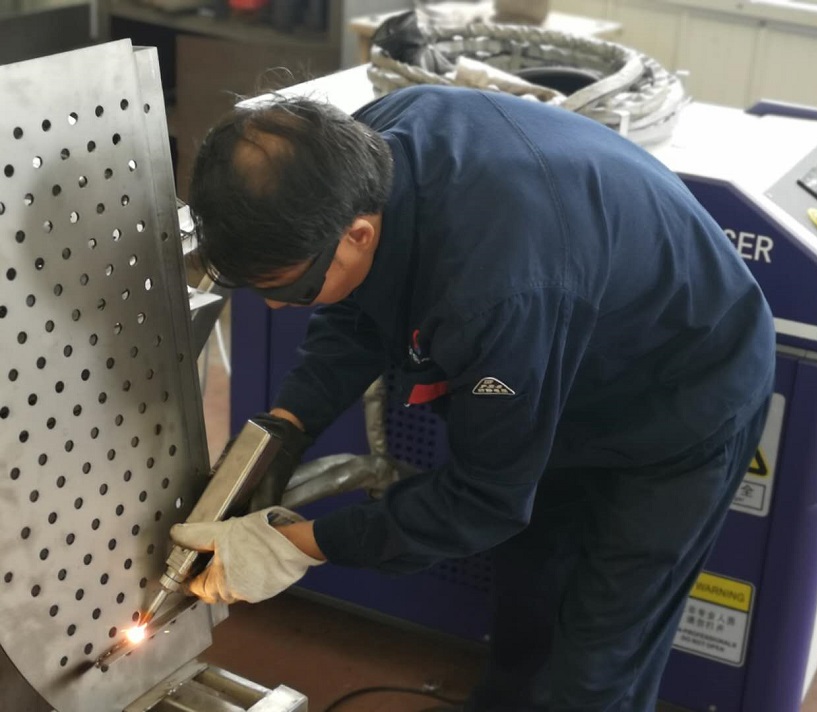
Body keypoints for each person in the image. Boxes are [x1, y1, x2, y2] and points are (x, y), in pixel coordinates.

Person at [172, 84, 775, 712]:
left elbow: (483, 502)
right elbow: (358, 312)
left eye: (290, 288)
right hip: (564, 373)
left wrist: (293, 545)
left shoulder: (493, 293)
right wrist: (286, 427)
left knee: (597, 663)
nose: (275, 307)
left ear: (357, 233)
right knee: (527, 613)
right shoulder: (356, 150)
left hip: (681, 398)